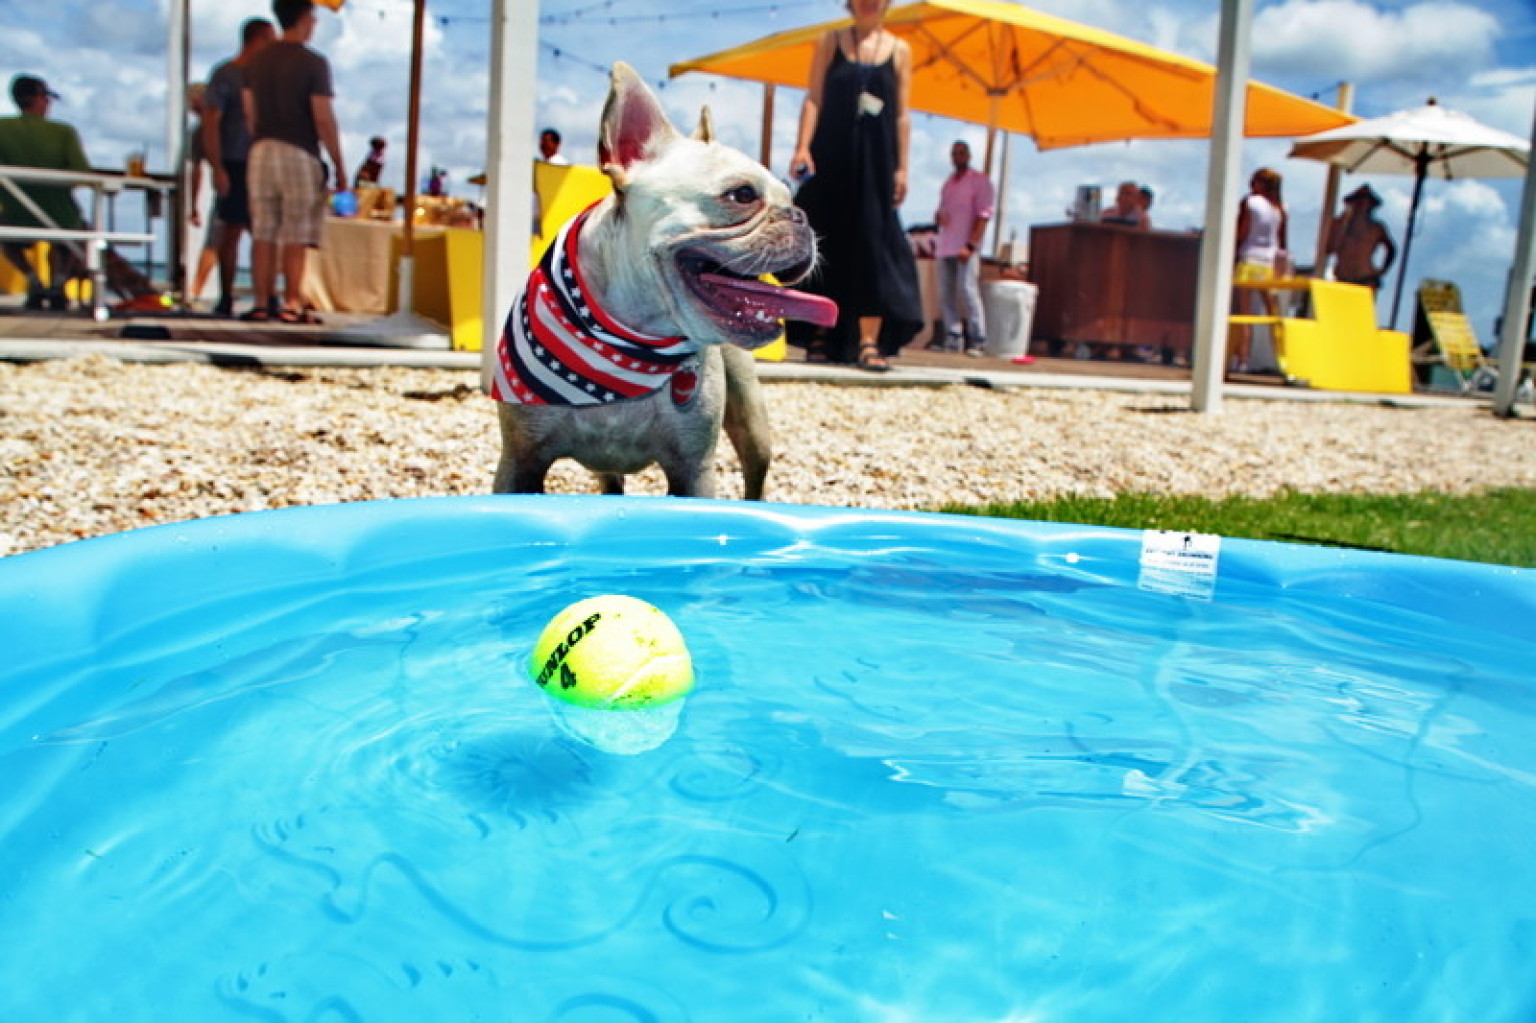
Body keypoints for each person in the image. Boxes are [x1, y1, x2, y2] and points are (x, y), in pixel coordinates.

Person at [787, 0, 922, 371]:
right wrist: (802, 146)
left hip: (877, 160)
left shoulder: (899, 50)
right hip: (831, 153)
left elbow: (902, 115)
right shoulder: (830, 40)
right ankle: (819, 332)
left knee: (874, 242)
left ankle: (868, 340)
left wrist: (902, 169)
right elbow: (814, 98)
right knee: (824, 237)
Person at [0, 74, 159, 310]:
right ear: (39, 99)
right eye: (47, 98)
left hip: (16, 216)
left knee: (7, 236)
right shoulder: (63, 132)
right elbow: (81, 174)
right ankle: (57, 282)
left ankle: (33, 279)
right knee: (68, 236)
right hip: (62, 217)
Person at [241, 0, 344, 324]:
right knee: (296, 232)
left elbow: (249, 113)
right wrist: (339, 163)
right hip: (298, 149)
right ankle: (291, 303)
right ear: (303, 17)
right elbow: (323, 117)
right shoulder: (312, 63)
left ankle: (260, 301)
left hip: (261, 149)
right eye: (312, 17)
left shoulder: (256, 62)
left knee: (263, 231)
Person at [204, 17, 275, 318]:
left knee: (264, 232)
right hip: (234, 160)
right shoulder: (226, 75)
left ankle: (267, 294)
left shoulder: (266, 78)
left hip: (262, 161)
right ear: (258, 40)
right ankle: (227, 294)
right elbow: (211, 121)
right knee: (230, 231)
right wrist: (217, 165)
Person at [928, 139, 993, 356]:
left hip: (965, 246)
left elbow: (983, 215)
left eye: (962, 152)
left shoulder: (979, 181)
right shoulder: (948, 183)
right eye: (954, 153)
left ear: (969, 155)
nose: (958, 157)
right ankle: (953, 336)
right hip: (946, 245)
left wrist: (971, 244)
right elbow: (942, 211)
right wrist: (938, 217)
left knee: (967, 290)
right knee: (946, 293)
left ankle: (978, 338)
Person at [1231, 167, 1288, 373]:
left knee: (1245, 313)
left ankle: (1243, 359)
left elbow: (1241, 232)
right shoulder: (1280, 209)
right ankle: (1283, 356)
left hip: (1249, 259)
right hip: (1269, 264)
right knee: (1274, 313)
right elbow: (1281, 242)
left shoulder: (1250, 203)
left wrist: (1232, 252)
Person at [1328, 184, 1397, 291]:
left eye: (1364, 202)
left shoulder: (1376, 228)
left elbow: (1391, 249)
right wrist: (1343, 226)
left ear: (1370, 205)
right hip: (1342, 281)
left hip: (1365, 281)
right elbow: (1329, 248)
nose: (1360, 205)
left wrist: (1382, 270)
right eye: (1358, 201)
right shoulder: (1339, 224)